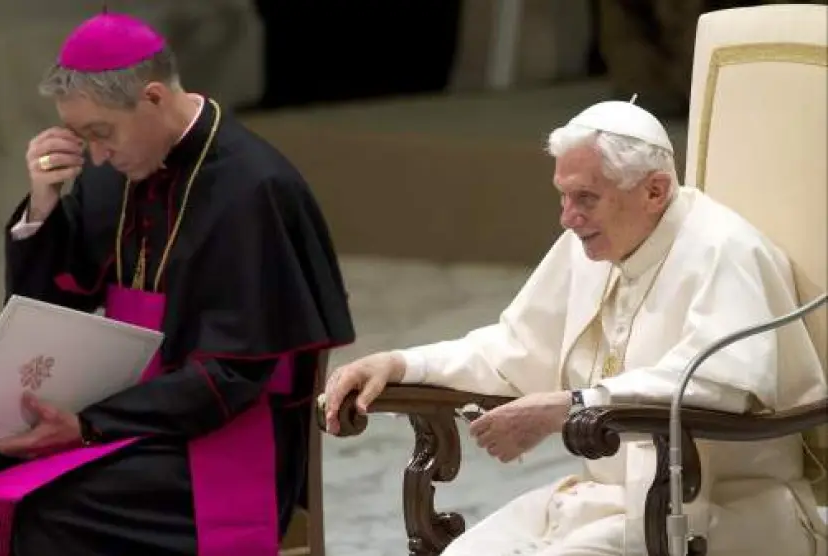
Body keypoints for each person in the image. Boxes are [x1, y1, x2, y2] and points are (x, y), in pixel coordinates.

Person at [0, 11, 354, 556]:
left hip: (217, 445)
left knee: (20, 519)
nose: (96, 156)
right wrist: (44, 205)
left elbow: (233, 375)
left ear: (153, 98)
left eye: (101, 133)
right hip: (120, 419)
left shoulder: (253, 188)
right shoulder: (119, 172)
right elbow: (51, 305)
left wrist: (90, 425)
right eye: (82, 137)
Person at [322, 99, 827, 556]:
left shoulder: (724, 251)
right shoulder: (591, 247)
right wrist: (399, 364)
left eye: (585, 198)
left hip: (717, 512)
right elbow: (514, 348)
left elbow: (720, 385)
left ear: (655, 191)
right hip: (602, 501)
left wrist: (571, 405)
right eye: (563, 196)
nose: (568, 218)